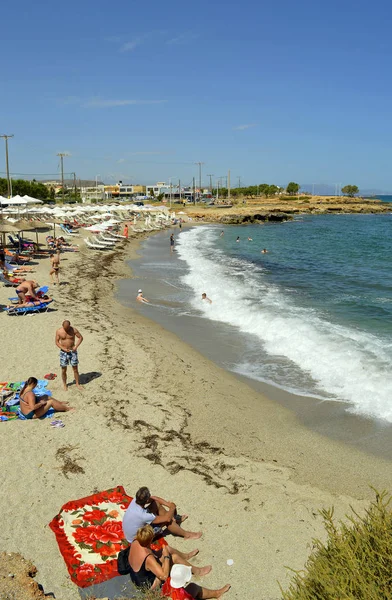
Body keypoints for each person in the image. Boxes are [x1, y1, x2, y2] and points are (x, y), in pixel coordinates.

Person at [128, 525, 216, 594]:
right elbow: (164, 576)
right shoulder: (148, 557)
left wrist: (165, 552)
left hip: (137, 573)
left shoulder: (136, 541)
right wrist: (166, 557)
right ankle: (198, 571)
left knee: (167, 548)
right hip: (148, 584)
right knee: (174, 557)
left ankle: (186, 556)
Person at [123, 487, 202, 543]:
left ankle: (174, 521)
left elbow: (154, 499)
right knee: (168, 521)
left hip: (131, 533)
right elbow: (167, 519)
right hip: (138, 539)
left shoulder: (135, 501)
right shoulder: (144, 515)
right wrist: (172, 508)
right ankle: (186, 535)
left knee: (156, 504)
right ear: (146, 500)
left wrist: (168, 504)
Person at [163, 564, 231, 599]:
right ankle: (216, 593)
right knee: (194, 587)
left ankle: (216, 593)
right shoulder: (184, 597)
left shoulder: (168, 582)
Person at [55, 320, 84, 391]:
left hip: (72, 351)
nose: (66, 330)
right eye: (65, 328)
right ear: (62, 326)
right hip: (63, 352)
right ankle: (65, 384)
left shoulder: (73, 330)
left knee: (75, 368)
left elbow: (80, 337)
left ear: (69, 326)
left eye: (67, 328)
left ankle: (77, 383)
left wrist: (76, 346)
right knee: (64, 369)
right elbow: (57, 342)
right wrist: (63, 348)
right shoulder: (59, 331)